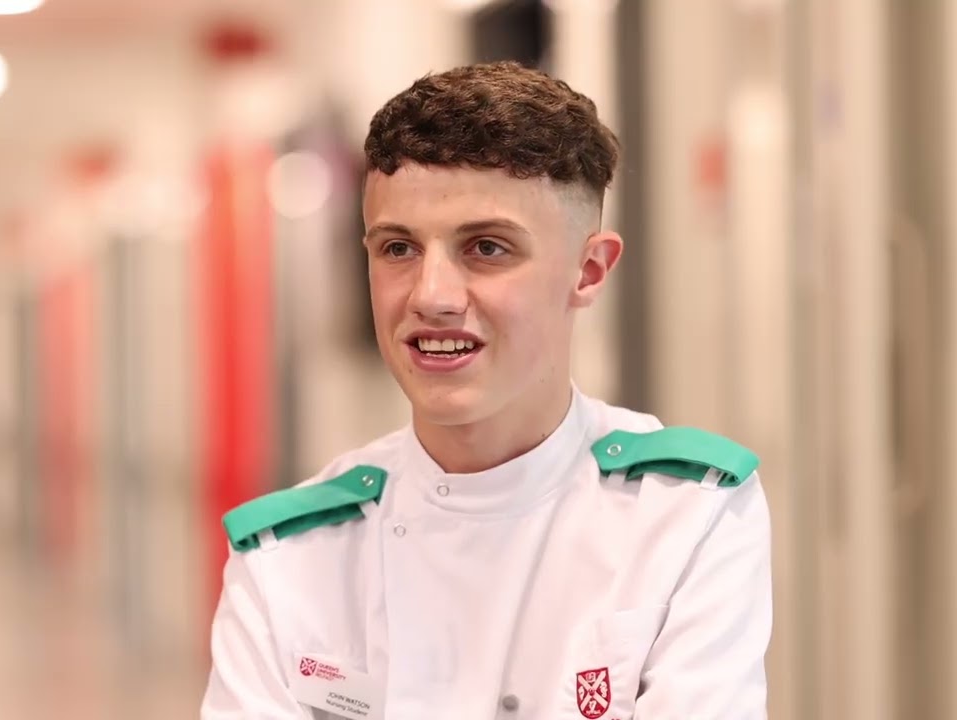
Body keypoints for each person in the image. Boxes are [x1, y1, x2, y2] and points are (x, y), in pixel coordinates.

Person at [200, 61, 772, 720]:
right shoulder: (291, 561)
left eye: (487, 249)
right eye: (397, 249)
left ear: (587, 272)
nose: (432, 296)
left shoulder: (682, 517)